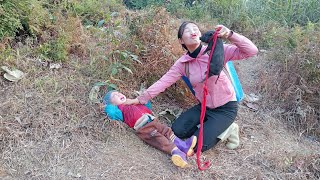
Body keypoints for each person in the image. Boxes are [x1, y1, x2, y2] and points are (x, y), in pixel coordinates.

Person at [125, 21, 258, 152]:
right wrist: (139, 100)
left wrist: (230, 34)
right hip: (205, 107)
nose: (193, 32)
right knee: (178, 131)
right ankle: (210, 127)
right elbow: (163, 82)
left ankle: (228, 129)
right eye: (187, 31)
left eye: (195, 29)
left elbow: (252, 51)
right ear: (181, 41)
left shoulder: (217, 50)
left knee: (196, 147)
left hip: (226, 108)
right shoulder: (183, 64)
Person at [102, 90, 197, 168]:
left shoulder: (133, 103)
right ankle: (177, 152)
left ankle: (183, 145)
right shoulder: (119, 109)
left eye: (118, 92)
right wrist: (108, 105)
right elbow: (111, 112)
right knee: (159, 138)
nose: (119, 94)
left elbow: (147, 106)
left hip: (153, 121)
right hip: (143, 127)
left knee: (167, 131)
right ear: (112, 103)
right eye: (114, 95)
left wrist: (142, 99)